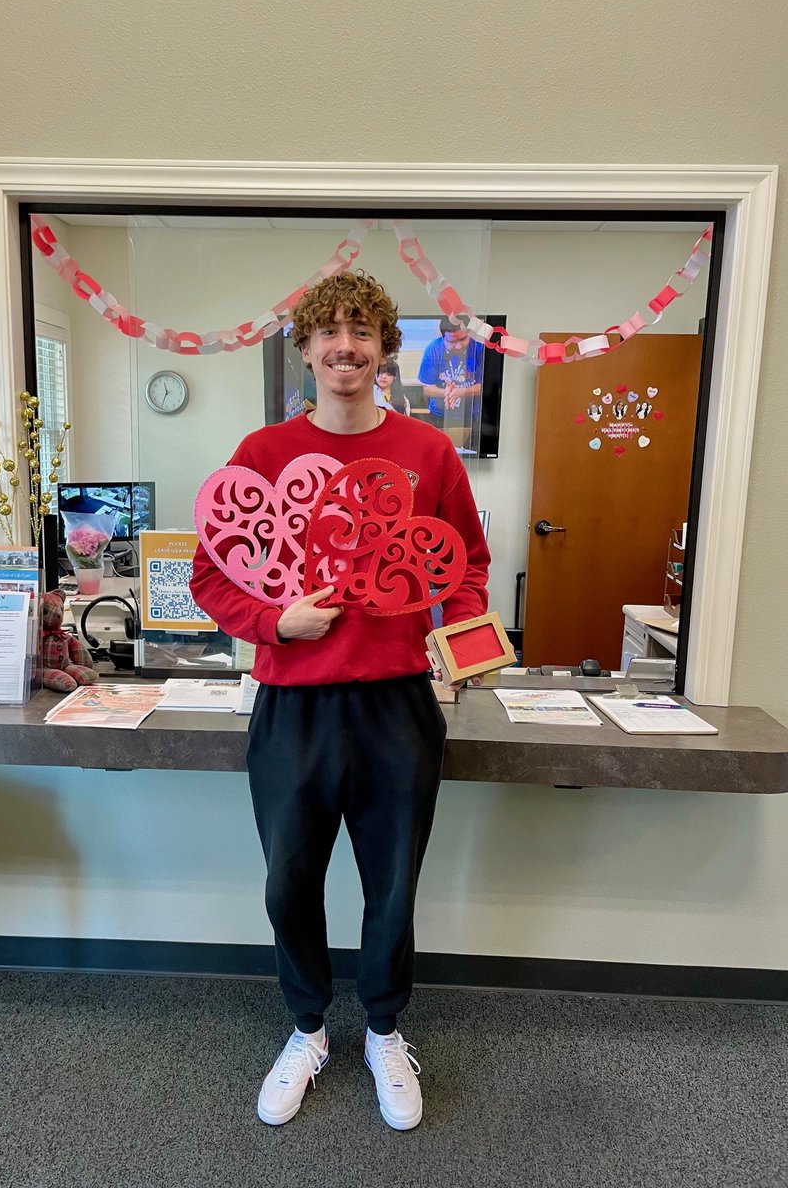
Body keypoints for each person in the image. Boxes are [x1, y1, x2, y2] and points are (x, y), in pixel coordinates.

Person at [189, 271, 490, 1132]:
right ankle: (309, 1027)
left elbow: (465, 561)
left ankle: (386, 1031)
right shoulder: (261, 454)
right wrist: (274, 620)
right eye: (329, 332)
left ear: (384, 347)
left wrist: (456, 635)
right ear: (308, 348)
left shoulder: (428, 454)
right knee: (290, 882)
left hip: (398, 705)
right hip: (294, 707)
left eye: (361, 330)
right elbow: (213, 574)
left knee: (391, 885)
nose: (345, 346)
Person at [417, 319, 485, 449]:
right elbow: (427, 389)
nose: (459, 346)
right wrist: (446, 393)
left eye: (463, 339)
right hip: (439, 414)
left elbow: (484, 386)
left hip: (471, 415)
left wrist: (461, 392)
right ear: (443, 338)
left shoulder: (479, 348)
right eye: (452, 342)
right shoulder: (433, 350)